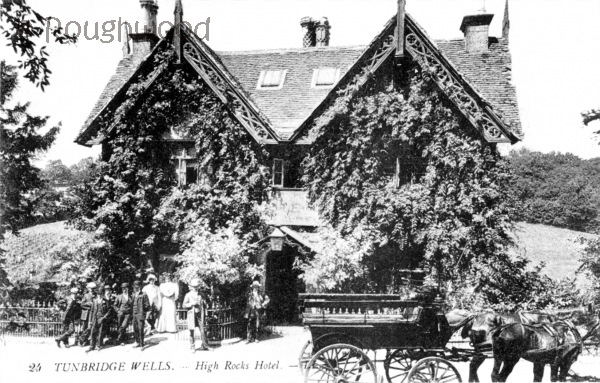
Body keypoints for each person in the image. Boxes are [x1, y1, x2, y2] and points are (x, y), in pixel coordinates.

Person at [183, 278, 210, 353]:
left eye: (197, 286)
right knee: (191, 331)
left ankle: (204, 345)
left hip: (200, 314)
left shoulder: (201, 294)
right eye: (194, 286)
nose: (195, 288)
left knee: (203, 330)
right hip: (192, 315)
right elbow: (184, 305)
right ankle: (192, 347)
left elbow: (205, 305)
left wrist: (204, 304)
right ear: (191, 287)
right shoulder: (188, 295)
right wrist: (192, 304)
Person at [88, 285, 114, 352]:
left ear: (103, 294)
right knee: (93, 332)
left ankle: (99, 345)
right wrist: (90, 320)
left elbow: (109, 310)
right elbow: (92, 311)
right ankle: (92, 346)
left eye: (101, 294)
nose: (99, 295)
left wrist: (104, 317)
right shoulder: (94, 300)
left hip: (102, 318)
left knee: (100, 332)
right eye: (98, 294)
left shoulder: (106, 301)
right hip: (95, 318)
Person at [131, 280, 150, 350]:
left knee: (140, 329)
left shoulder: (144, 295)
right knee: (135, 328)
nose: (135, 288)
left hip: (140, 314)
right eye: (134, 287)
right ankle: (137, 342)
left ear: (139, 287)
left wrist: (143, 312)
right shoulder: (133, 294)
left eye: (137, 287)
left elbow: (147, 305)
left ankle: (142, 344)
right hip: (134, 314)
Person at [78, 282, 96, 347]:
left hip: (92, 314)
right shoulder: (86, 295)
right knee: (85, 328)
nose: (92, 290)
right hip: (86, 314)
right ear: (88, 289)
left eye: (93, 288)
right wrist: (89, 304)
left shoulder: (96, 296)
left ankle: (87, 340)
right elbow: (82, 304)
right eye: (91, 288)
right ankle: (82, 341)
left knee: (91, 327)